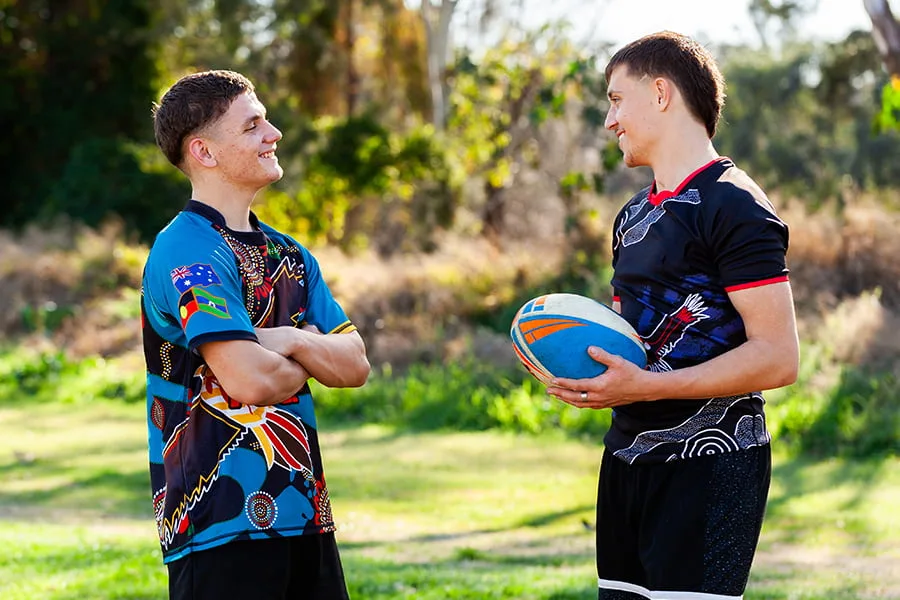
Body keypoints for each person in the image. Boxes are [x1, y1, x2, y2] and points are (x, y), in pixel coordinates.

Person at [546, 32, 800, 599]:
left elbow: (779, 358)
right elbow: (635, 345)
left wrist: (644, 387)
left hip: (710, 467)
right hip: (626, 459)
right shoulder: (631, 215)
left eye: (616, 99)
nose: (610, 120)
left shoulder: (735, 204)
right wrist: (588, 369)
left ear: (661, 93)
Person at [141, 69, 370, 600]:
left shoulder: (290, 254)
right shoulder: (187, 250)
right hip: (216, 527)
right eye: (253, 126)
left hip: (307, 517)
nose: (275, 134)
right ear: (204, 151)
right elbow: (248, 378)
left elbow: (356, 365)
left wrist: (286, 341)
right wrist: (308, 347)